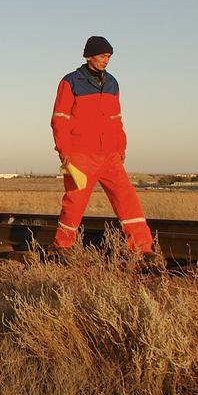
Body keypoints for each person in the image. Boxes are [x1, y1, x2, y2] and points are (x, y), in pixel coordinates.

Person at [50, 36, 153, 253]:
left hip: (110, 156)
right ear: (89, 56)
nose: (106, 60)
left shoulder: (112, 83)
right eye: (103, 56)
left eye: (109, 57)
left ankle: (143, 249)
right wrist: (64, 150)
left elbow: (117, 119)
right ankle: (63, 247)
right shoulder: (71, 82)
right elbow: (59, 119)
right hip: (80, 155)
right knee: (75, 202)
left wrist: (120, 147)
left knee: (128, 199)